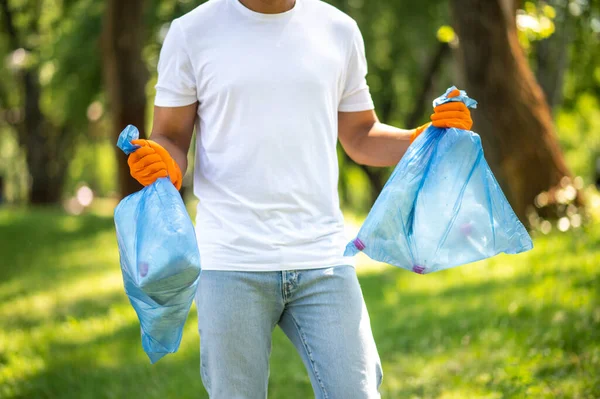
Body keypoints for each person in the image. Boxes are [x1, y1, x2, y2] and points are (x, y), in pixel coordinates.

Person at [127, 0, 472, 397]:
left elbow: (361, 135)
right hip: (230, 261)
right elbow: (170, 136)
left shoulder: (338, 29)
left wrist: (423, 138)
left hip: (323, 259)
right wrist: (164, 166)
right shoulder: (192, 32)